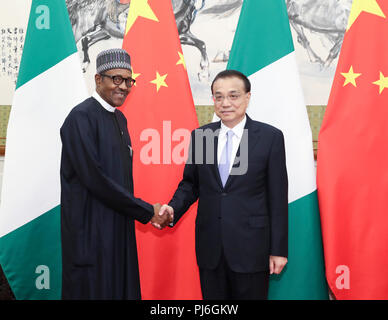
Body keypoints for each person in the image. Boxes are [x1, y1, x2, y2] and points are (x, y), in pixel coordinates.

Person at [158, 70, 288, 300]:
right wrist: (172, 208)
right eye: (218, 97)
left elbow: (277, 198)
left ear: (247, 97)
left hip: (252, 248)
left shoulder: (270, 137)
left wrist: (278, 250)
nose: (225, 103)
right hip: (211, 248)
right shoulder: (201, 136)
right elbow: (190, 185)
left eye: (233, 96)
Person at [60, 48, 171, 299]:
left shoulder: (120, 119)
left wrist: (141, 211)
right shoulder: (80, 118)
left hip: (118, 229)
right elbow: (95, 179)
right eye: (116, 79)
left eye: (128, 80)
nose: (123, 86)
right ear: (98, 79)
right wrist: (146, 211)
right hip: (90, 232)